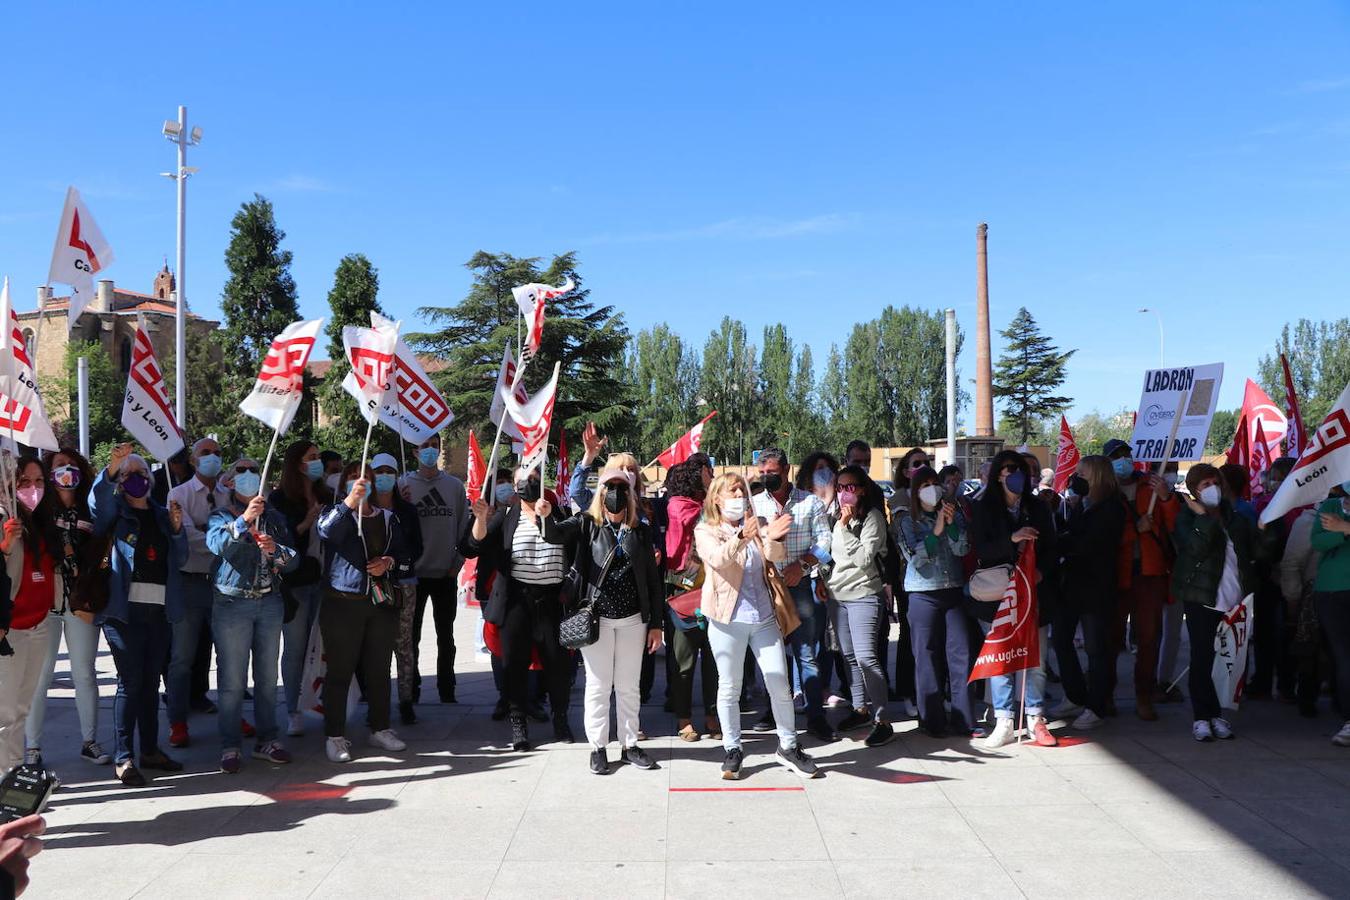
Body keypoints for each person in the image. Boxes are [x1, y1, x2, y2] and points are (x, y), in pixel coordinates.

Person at [536, 469, 664, 774]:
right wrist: (545, 515)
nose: (616, 492)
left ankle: (630, 743)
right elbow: (553, 535)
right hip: (598, 620)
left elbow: (653, 581)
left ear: (630, 493)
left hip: (634, 620)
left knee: (628, 686)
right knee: (598, 685)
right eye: (610, 486)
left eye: (621, 487)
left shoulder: (640, 532)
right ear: (600, 492)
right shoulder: (586, 525)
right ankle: (598, 747)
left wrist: (657, 623)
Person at [695, 473, 820, 780]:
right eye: (732, 492)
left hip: (763, 618)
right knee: (730, 687)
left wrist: (772, 536)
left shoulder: (758, 522)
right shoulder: (707, 530)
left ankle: (789, 746)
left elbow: (775, 558)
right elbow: (718, 560)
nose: (739, 496)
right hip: (727, 621)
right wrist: (742, 537)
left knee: (779, 682)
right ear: (717, 499)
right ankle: (733, 749)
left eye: (742, 491)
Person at [91, 444, 188, 786]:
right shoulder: (114, 512)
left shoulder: (163, 513)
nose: (137, 480)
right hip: (123, 613)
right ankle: (123, 757)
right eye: (128, 475)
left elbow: (181, 558)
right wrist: (111, 469)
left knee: (150, 682)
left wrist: (176, 529)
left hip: (159, 611)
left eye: (142, 474)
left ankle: (149, 750)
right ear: (119, 481)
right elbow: (97, 504)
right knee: (130, 683)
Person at [461, 466, 575, 751]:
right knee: (514, 665)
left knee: (557, 665)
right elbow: (473, 546)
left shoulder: (557, 513)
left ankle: (560, 719)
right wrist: (479, 520)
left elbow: (574, 543)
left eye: (534, 479)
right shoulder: (506, 517)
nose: (528, 484)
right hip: (517, 601)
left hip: (551, 601)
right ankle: (518, 723)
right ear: (514, 485)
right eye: (522, 480)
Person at [206, 456, 299, 773]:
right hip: (232, 605)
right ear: (230, 482)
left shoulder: (274, 517)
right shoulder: (220, 515)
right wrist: (244, 519)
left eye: (253, 471)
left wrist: (278, 552)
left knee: (267, 678)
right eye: (240, 471)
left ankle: (267, 740)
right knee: (232, 680)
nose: (247, 476)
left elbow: (294, 558)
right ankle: (230, 745)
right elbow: (217, 544)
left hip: (269, 603)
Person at [316, 464, 412, 763]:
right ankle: (335, 735)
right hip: (342, 602)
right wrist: (349, 504)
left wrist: (389, 562)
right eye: (353, 479)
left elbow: (406, 556)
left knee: (379, 669)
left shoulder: (387, 518)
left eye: (366, 479)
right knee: (340, 671)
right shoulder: (334, 512)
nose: (361, 484)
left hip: (379, 602)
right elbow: (327, 533)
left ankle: (380, 727)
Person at [25, 449, 109, 767]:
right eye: (60, 466)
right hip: (45, 601)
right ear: (49, 473)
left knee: (84, 673)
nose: (67, 470)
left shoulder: (90, 506)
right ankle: (32, 748)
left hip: (81, 600)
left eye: (72, 465)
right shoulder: (39, 509)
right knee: (40, 676)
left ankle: (90, 741)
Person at [972, 449, 1059, 748]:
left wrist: (1041, 573)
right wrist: (1012, 539)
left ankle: (1036, 718)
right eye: (1009, 469)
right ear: (998, 474)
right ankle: (1005, 720)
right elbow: (980, 550)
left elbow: (1051, 548)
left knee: (1036, 658)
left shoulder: (1038, 507)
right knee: (1001, 659)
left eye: (1021, 469)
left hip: (1034, 593)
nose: (1016, 474)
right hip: (998, 596)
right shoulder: (984, 507)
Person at [751, 448, 834, 742]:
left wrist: (802, 565)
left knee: (806, 652)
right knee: (769, 655)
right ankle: (771, 712)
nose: (766, 478)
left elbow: (826, 542)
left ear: (786, 471)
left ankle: (816, 716)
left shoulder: (809, 503)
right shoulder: (755, 504)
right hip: (766, 586)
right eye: (762, 474)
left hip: (799, 586)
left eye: (771, 473)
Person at [1171, 463, 1257, 742]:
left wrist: (1268, 529)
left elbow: (1257, 552)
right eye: (1204, 485)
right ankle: (1201, 716)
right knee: (1202, 658)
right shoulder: (1186, 518)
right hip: (1202, 599)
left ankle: (1219, 715)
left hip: (1235, 603)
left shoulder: (1237, 519)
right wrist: (1202, 518)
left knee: (1228, 661)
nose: (1212, 489)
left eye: (1214, 482)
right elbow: (1194, 549)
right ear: (1194, 491)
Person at [898, 465, 979, 738]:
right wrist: (937, 528)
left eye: (935, 484)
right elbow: (917, 559)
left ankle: (964, 718)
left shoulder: (952, 513)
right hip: (923, 593)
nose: (932, 489)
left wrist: (952, 524)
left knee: (961, 655)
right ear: (915, 492)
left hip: (953, 590)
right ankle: (932, 720)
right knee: (926, 657)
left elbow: (962, 548)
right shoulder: (908, 521)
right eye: (924, 485)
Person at [1102, 438, 1178, 721]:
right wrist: (1136, 529)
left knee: (1149, 638)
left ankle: (1144, 695)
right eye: (1116, 456)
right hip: (1117, 576)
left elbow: (1173, 525)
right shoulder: (1103, 492)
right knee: (1111, 639)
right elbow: (1102, 537)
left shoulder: (1151, 486)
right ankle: (1106, 694)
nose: (1123, 459)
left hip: (1150, 574)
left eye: (1126, 454)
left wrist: (1168, 498)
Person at [165, 437, 232, 749]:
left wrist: (218, 535)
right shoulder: (177, 494)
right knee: (182, 658)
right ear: (193, 460)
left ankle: (231, 717)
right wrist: (221, 537)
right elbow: (190, 538)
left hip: (224, 582)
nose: (213, 457)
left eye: (217, 453)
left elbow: (238, 533)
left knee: (230, 655)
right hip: (190, 583)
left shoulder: (227, 493)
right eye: (205, 453)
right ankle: (178, 721)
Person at [1050, 456, 1126, 730]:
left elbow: (1086, 543)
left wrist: (1060, 544)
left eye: (1081, 473)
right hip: (1073, 584)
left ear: (1095, 476)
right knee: (1060, 639)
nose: (1076, 477)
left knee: (1096, 649)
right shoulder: (1086, 504)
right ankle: (1075, 695)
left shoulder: (1112, 508)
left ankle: (1096, 705)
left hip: (1096, 587)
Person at [824, 465, 893, 747]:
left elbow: (865, 558)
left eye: (850, 487)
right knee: (848, 656)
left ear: (862, 489)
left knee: (866, 657)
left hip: (865, 594)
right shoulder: (833, 518)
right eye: (840, 487)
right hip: (837, 596)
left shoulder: (872, 518)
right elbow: (826, 553)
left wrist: (845, 527)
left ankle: (883, 719)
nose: (844, 493)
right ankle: (859, 708)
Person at [267, 440, 332, 737]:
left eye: (319, 457)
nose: (317, 462)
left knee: (322, 649)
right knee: (294, 650)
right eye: (312, 457)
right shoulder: (279, 500)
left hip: (325, 582)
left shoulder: (326, 494)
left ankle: (322, 703)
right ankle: (293, 710)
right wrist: (307, 521)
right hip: (295, 585)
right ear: (297, 464)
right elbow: (280, 543)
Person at [401, 434, 468, 709]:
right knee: (411, 637)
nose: (430, 451)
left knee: (446, 635)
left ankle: (447, 687)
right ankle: (411, 688)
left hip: (445, 574)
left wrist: (458, 562)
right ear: (415, 451)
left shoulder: (453, 486)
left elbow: (465, 526)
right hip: (414, 577)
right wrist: (400, 504)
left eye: (434, 446)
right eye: (424, 446)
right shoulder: (403, 485)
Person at [0, 458, 57, 774]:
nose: (32, 488)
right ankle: (4, 780)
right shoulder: (4, 519)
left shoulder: (43, 522)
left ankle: (15, 774)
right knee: (4, 713)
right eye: (23, 481)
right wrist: (5, 547)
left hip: (38, 625)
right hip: (9, 631)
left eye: (39, 481)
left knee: (21, 709)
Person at [663, 459, 719, 741]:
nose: (713, 475)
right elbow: (700, 519)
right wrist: (714, 494)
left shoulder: (708, 504)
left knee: (714, 659)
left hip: (715, 589)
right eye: (709, 470)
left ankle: (712, 714)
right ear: (697, 473)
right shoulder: (678, 504)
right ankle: (684, 718)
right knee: (683, 661)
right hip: (683, 592)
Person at [369, 453, 425, 726]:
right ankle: (375, 704)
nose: (384, 476)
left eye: (389, 471)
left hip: (403, 585)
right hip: (372, 586)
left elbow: (416, 548)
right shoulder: (363, 508)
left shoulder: (407, 510)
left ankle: (405, 700)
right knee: (374, 648)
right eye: (378, 471)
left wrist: (391, 563)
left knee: (404, 645)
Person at [1310, 480, 1350, 746]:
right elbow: (1318, 541)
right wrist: (1341, 533)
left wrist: (1346, 527)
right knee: (1344, 658)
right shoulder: (1330, 505)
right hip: (1332, 592)